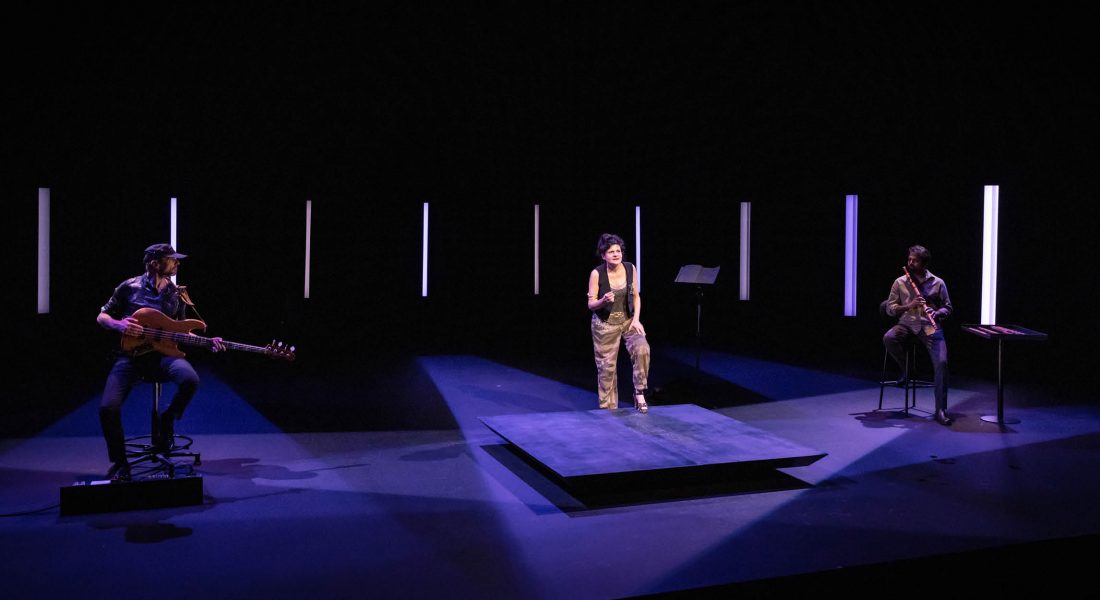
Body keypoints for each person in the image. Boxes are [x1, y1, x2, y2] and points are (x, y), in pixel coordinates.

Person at [96, 243, 224, 480]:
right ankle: (120, 462)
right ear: (155, 263)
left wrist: (208, 342)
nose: (177, 263)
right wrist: (118, 324)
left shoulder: (176, 293)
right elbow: (102, 316)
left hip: (164, 357)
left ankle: (168, 419)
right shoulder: (129, 287)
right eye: (172, 259)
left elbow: (181, 331)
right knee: (107, 408)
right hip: (131, 358)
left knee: (190, 380)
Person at [883, 244, 953, 426]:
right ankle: (907, 369)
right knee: (889, 337)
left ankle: (940, 409)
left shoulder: (938, 282)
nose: (910, 263)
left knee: (942, 362)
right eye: (909, 260)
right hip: (907, 323)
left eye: (915, 261)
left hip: (930, 326)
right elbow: (890, 308)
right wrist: (908, 305)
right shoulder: (900, 282)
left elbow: (948, 307)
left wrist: (937, 313)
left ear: (923, 263)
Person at [587, 233, 651, 412]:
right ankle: (608, 410)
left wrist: (636, 320)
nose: (616, 254)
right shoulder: (597, 273)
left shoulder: (630, 268)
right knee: (606, 370)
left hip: (628, 321)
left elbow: (636, 296)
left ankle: (639, 392)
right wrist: (603, 301)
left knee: (642, 348)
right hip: (604, 325)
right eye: (611, 251)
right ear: (603, 255)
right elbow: (591, 304)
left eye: (618, 251)